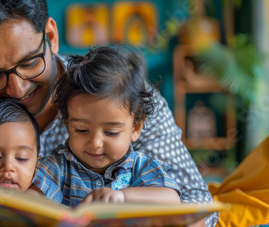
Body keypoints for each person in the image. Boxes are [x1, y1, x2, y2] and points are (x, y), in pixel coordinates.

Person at [0, 0, 217, 227]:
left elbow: (199, 204)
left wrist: (186, 223)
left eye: (29, 62)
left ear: (51, 36)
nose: (17, 88)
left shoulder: (122, 101)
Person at [32, 47, 181, 206]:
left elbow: (172, 199)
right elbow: (29, 199)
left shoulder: (140, 167)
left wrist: (122, 197)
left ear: (136, 128)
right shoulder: (57, 168)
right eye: (82, 130)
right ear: (67, 124)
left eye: (111, 132)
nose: (95, 143)